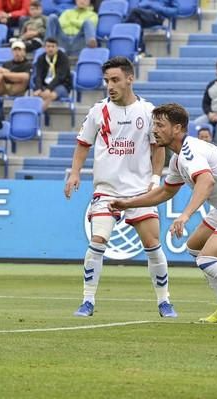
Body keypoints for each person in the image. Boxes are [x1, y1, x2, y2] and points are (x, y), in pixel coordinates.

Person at [109, 102, 217, 328]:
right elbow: (166, 191)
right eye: (154, 124)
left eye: (160, 125)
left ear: (177, 128)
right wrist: (127, 203)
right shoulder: (177, 159)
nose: (154, 130)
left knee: (207, 258)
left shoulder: (190, 151)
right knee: (195, 247)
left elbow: (206, 182)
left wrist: (184, 216)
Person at [64, 56, 176, 318]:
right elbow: (83, 144)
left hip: (139, 192)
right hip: (106, 190)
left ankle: (164, 301)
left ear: (130, 78)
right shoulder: (98, 111)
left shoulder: (148, 112)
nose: (110, 86)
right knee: (98, 241)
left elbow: (157, 149)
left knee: (152, 245)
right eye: (106, 81)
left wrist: (155, 180)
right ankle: (87, 301)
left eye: (115, 80)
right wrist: (75, 173)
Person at [33, 38, 71, 111]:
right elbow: (38, 75)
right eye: (48, 46)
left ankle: (39, 113)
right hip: (44, 86)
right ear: (44, 48)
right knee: (35, 95)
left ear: (57, 48)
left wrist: (49, 89)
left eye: (53, 46)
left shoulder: (63, 58)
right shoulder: (41, 58)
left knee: (50, 96)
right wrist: (38, 88)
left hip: (62, 85)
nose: (50, 49)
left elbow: (60, 77)